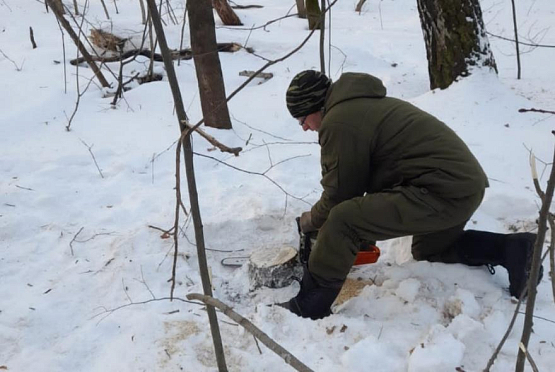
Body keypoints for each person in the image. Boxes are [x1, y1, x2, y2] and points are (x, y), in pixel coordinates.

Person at [280, 70, 543, 320]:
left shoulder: (339, 121)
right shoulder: (361, 105)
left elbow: (339, 196)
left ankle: (310, 304)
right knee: (431, 249)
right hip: (463, 187)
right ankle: (514, 249)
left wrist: (307, 223)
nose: (304, 127)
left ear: (315, 106)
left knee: (343, 219)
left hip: (440, 191)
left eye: (302, 119)